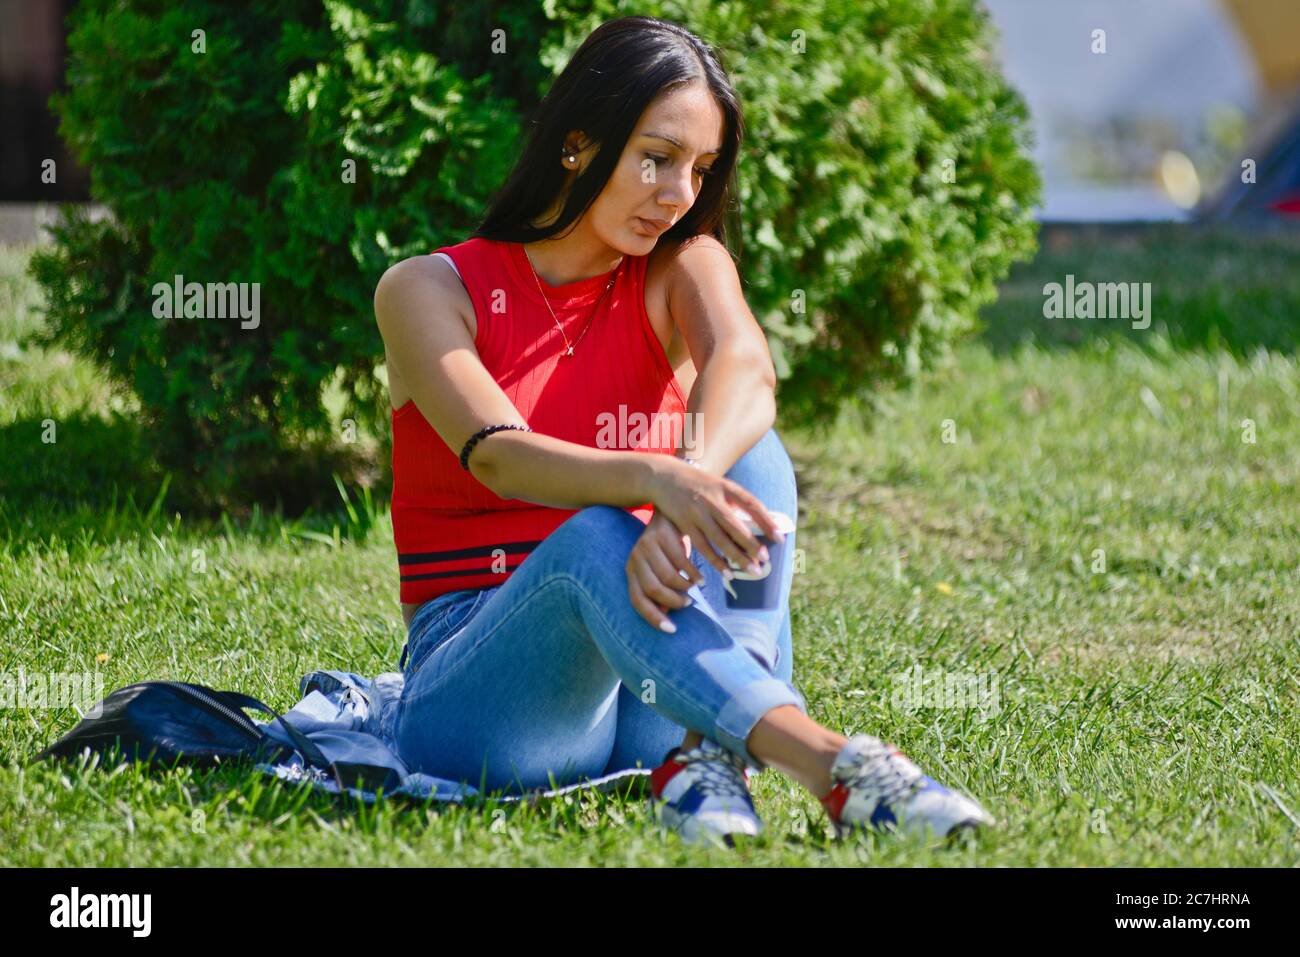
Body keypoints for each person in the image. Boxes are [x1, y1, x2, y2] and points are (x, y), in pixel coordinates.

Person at [373, 15, 993, 846]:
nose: (679, 194)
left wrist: (689, 477)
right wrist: (654, 480)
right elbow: (500, 457)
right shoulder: (427, 287)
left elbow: (747, 367)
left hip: (644, 694)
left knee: (755, 455)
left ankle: (703, 758)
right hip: (487, 699)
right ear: (578, 146)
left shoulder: (681, 265)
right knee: (595, 531)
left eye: (700, 169)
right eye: (656, 159)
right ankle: (831, 765)